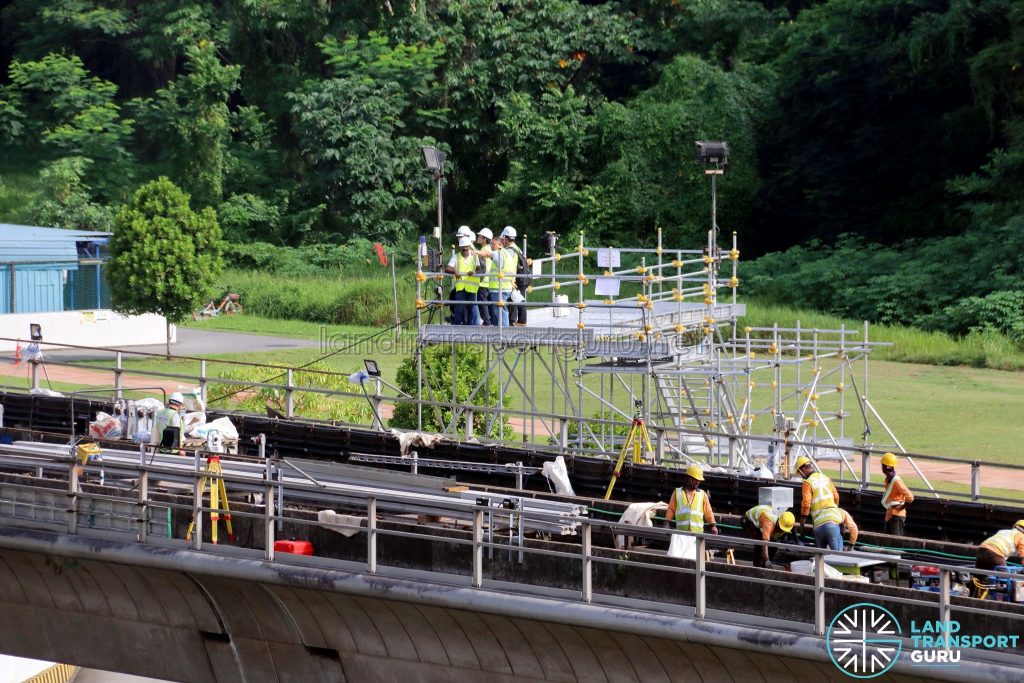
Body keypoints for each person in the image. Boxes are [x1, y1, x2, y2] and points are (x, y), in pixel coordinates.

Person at [796, 455, 844, 551]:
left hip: (818, 525)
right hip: (832, 523)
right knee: (839, 556)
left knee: (821, 560)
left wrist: (802, 524)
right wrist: (835, 511)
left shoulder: (807, 483)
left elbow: (806, 503)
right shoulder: (826, 478)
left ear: (804, 469)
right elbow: (836, 496)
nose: (801, 476)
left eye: (800, 473)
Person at [665, 464, 718, 534]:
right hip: (681, 533)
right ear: (689, 478)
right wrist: (666, 523)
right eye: (696, 480)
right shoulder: (677, 492)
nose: (698, 482)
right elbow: (671, 509)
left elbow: (708, 512)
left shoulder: (702, 494)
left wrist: (713, 525)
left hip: (697, 534)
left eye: (699, 480)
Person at [444, 236, 480, 325]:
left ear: (469, 246)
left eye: (466, 246)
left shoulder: (475, 257)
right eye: (463, 247)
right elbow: (447, 269)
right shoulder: (456, 257)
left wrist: (474, 271)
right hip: (460, 287)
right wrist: (455, 271)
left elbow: (479, 268)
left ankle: (473, 327)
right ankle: (456, 326)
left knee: (472, 308)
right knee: (459, 308)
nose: (465, 248)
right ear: (460, 247)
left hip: (472, 287)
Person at [487, 232, 518, 327]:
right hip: (504, 286)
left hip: (500, 287)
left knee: (500, 311)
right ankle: (500, 331)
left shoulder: (499, 253)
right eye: (491, 244)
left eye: (493, 244)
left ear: (500, 244)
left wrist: (475, 252)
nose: (491, 246)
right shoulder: (509, 252)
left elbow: (487, 254)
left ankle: (504, 332)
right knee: (499, 311)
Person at [880, 452, 914, 536]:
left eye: (883, 465)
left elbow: (910, 497)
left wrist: (901, 507)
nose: (881, 467)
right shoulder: (889, 480)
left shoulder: (896, 482)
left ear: (886, 467)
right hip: (890, 515)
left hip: (897, 516)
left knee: (896, 543)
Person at [501, 226, 529, 326]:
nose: (502, 240)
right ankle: (520, 321)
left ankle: (518, 321)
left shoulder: (510, 251)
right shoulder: (516, 247)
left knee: (515, 299)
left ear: (506, 238)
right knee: (519, 298)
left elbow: (511, 267)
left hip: (516, 279)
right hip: (522, 278)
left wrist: (511, 281)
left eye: (503, 238)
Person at [474, 228, 494, 325]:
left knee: (482, 302)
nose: (478, 237)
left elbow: (482, 263)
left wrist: (475, 252)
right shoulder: (490, 248)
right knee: (487, 302)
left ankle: (486, 322)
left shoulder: (485, 249)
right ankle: (489, 320)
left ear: (485, 239)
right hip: (488, 280)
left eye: (480, 236)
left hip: (483, 281)